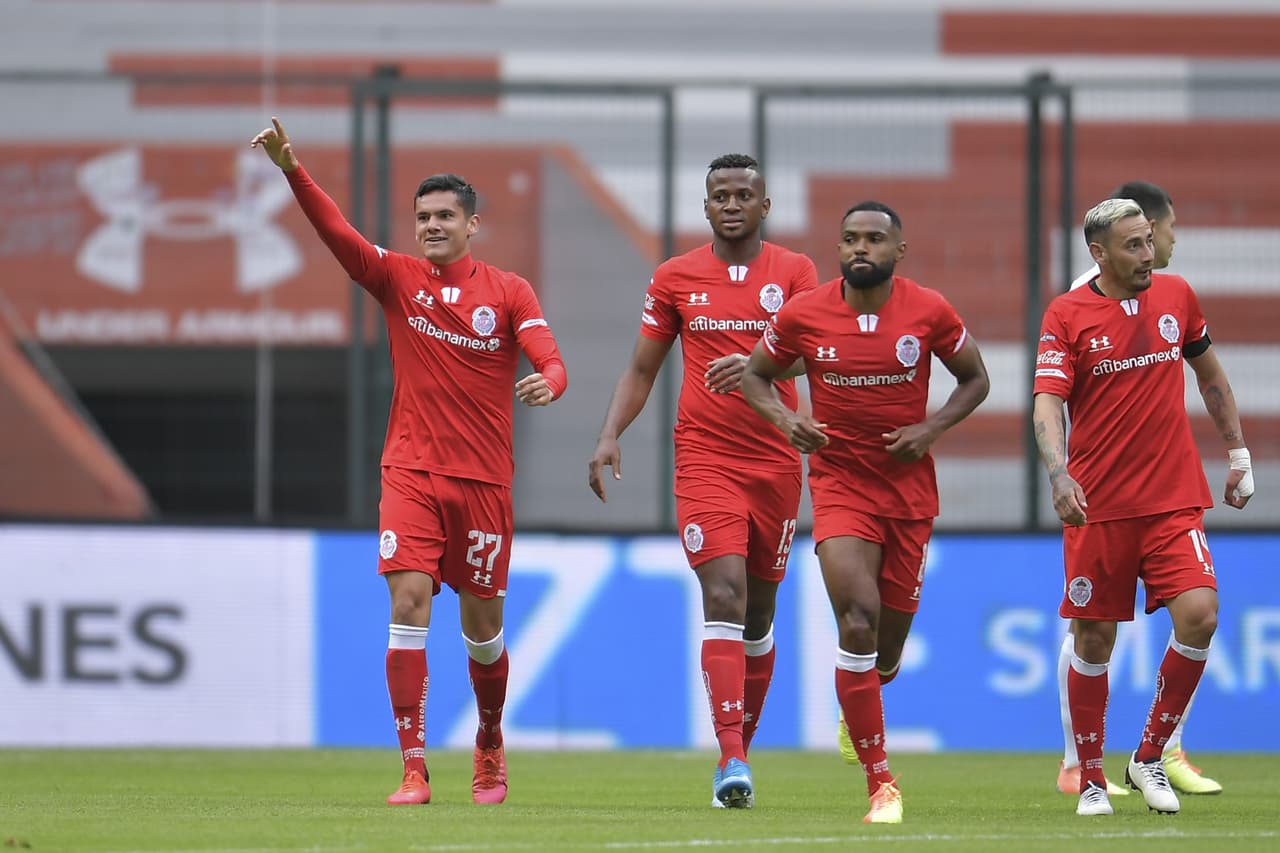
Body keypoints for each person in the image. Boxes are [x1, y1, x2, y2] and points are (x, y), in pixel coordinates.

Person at [250, 117, 567, 806]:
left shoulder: (509, 291)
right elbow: (338, 234)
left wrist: (551, 380)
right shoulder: (396, 278)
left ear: (472, 224)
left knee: (483, 631)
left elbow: (551, 358)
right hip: (410, 473)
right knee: (407, 601)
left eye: (444, 216)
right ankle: (414, 767)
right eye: (423, 217)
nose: (431, 226)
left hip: (483, 482)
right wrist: (292, 170)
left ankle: (489, 739)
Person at [741, 201, 990, 824]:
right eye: (850, 238)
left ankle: (863, 699)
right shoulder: (804, 313)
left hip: (908, 494)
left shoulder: (929, 310)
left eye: (875, 239)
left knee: (886, 647)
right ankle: (882, 785)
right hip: (839, 486)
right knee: (856, 619)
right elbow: (755, 376)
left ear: (898, 250)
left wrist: (930, 429)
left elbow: (976, 379)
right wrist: (787, 421)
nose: (861, 247)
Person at [588, 153, 818, 809]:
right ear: (706, 205)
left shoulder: (795, 272)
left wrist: (760, 362)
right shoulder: (675, 276)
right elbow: (642, 368)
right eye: (721, 195)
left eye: (744, 194)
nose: (732, 204)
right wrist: (609, 433)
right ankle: (731, 757)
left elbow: (816, 351)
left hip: (775, 459)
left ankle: (738, 751)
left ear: (765, 205)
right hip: (705, 459)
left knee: (760, 614)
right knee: (724, 592)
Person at [1032, 198, 1253, 817]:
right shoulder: (1067, 314)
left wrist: (1238, 453)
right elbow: (1047, 401)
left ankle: (1150, 754)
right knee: (1094, 639)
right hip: (1098, 506)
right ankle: (1091, 777)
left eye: (1149, 240)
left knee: (1201, 616)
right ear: (1098, 254)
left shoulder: (1177, 296)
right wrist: (1059, 473)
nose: (1148, 254)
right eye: (1133, 245)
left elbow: (1211, 375)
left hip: (1173, 500)